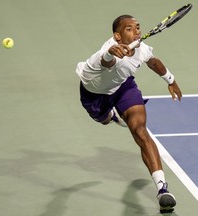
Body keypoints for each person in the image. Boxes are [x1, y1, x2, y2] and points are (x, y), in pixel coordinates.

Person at [76, 14, 182, 213]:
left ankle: (162, 189)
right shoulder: (104, 54)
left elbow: (153, 62)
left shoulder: (141, 49)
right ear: (117, 36)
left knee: (140, 131)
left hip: (123, 87)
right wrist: (110, 53)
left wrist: (171, 80)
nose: (137, 31)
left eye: (138, 27)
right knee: (104, 120)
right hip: (95, 95)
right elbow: (106, 61)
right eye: (129, 28)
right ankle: (113, 115)